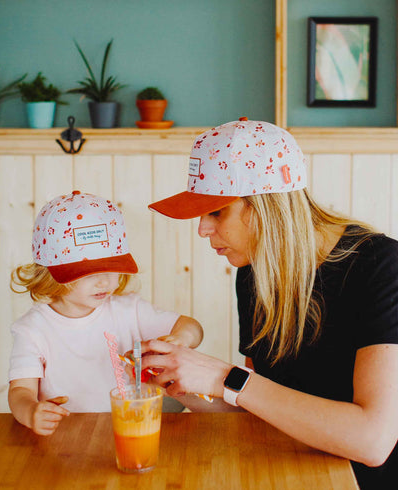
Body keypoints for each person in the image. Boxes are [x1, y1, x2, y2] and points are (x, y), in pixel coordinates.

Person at [141, 118, 398, 489]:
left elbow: (373, 441)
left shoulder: (381, 266)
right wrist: (180, 379)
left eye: (216, 211)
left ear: (266, 206)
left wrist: (223, 377)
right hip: (287, 470)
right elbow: (258, 405)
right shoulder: (253, 270)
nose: (202, 229)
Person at [8, 190, 203, 436]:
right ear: (51, 273)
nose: (104, 282)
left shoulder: (129, 309)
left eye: (113, 267)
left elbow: (192, 327)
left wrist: (180, 340)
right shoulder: (33, 329)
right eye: (88, 272)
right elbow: (20, 392)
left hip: (133, 433)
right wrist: (31, 413)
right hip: (67, 443)